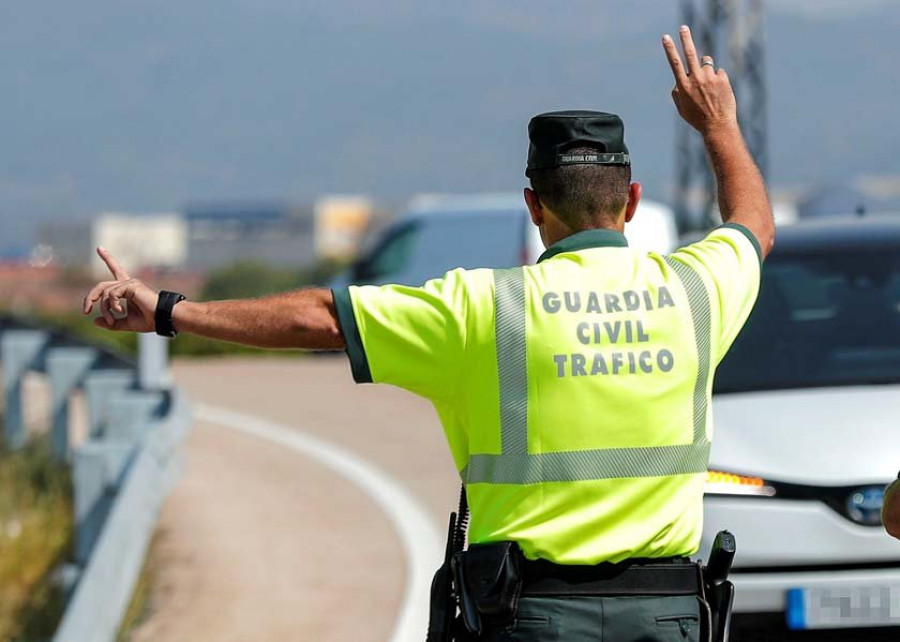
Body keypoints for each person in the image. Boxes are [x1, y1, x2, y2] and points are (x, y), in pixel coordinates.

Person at [83, 26, 773, 642]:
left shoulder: (483, 307)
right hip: (667, 615)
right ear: (632, 200)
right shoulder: (696, 290)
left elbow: (322, 318)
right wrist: (719, 126)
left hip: (534, 616)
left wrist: (169, 311)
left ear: (534, 206)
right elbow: (752, 225)